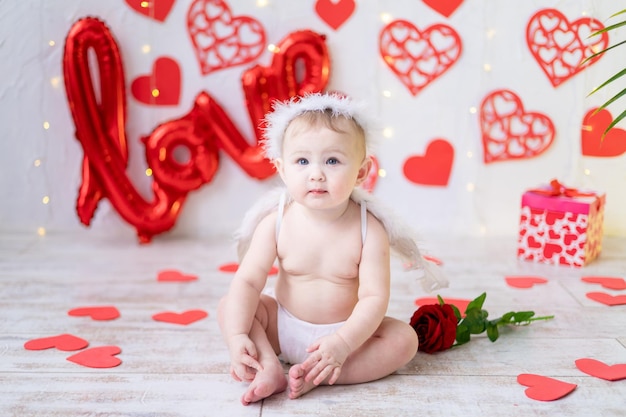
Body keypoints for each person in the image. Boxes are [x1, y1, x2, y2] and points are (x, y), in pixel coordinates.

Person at [218, 93, 446, 405]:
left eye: (332, 161)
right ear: (282, 169)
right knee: (232, 305)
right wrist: (237, 337)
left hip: (348, 336)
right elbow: (248, 280)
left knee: (403, 341)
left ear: (362, 173)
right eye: (302, 161)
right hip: (282, 327)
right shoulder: (276, 222)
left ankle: (319, 376)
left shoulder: (369, 230)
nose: (316, 173)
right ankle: (268, 366)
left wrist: (342, 342)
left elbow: (374, 298)